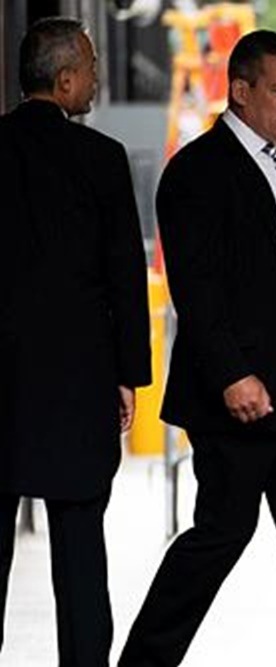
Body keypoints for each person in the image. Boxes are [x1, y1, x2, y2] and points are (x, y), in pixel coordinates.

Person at [118, 30, 276, 667]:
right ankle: (143, 659)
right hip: (238, 401)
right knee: (220, 535)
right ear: (241, 90)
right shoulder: (196, 170)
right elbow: (198, 289)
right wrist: (231, 375)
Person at [0, 17, 151, 664]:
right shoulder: (100, 159)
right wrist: (130, 374)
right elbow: (124, 275)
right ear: (64, 81)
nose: (95, 75)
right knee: (81, 554)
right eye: (89, 65)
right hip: (78, 384)